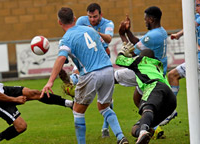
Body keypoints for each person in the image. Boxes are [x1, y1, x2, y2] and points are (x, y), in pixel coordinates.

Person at [0, 36, 73, 144]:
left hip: (0, 89)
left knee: (34, 93)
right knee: (21, 126)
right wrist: (16, 100)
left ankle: (69, 104)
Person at [41, 7, 128, 144]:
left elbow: (61, 59)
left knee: (78, 111)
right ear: (75, 19)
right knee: (104, 107)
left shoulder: (66, 39)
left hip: (91, 74)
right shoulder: (90, 30)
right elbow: (104, 47)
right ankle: (121, 137)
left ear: (59, 22)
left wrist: (50, 81)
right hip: (108, 70)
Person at [116, 6, 169, 138]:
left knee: (110, 78)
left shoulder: (152, 36)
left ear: (151, 19)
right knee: (137, 99)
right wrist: (128, 32)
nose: (144, 21)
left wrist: (122, 34)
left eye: (145, 19)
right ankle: (154, 126)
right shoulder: (160, 32)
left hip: (146, 73)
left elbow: (132, 54)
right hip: (155, 72)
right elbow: (138, 43)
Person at [115, 45, 177, 144]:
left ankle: (143, 132)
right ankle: (144, 132)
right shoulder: (157, 66)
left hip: (154, 86)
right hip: (171, 99)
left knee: (147, 108)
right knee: (135, 129)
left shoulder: (141, 60)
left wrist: (122, 52)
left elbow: (119, 61)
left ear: (142, 56)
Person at [164, 0, 200, 125]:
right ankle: (171, 110)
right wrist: (179, 35)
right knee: (172, 75)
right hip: (195, 61)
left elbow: (193, 25)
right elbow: (191, 26)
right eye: (195, 5)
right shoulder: (196, 17)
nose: (196, 8)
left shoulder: (198, 19)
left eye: (198, 5)